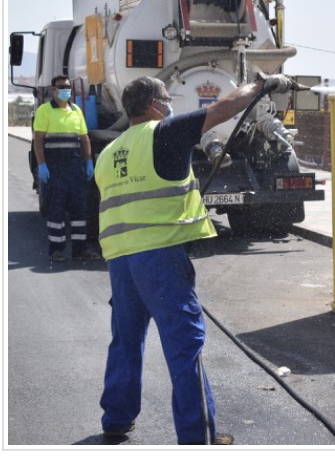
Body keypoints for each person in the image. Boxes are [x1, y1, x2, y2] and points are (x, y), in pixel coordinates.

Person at [94, 73, 294, 445]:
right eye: (168, 99)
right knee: (185, 345)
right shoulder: (164, 133)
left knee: (124, 341)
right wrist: (263, 85)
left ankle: (117, 419)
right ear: (154, 105)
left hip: (121, 262)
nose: (171, 104)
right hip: (159, 258)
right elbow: (227, 108)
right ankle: (197, 437)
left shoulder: (109, 152)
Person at [33, 75, 100, 262]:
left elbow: (84, 138)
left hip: (75, 167)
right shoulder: (45, 110)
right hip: (55, 168)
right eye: (61, 87)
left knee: (79, 209)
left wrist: (88, 162)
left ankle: (80, 250)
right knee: (56, 209)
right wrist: (42, 165)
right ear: (53, 90)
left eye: (68, 87)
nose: (66, 90)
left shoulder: (76, 110)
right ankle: (56, 250)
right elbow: (38, 139)